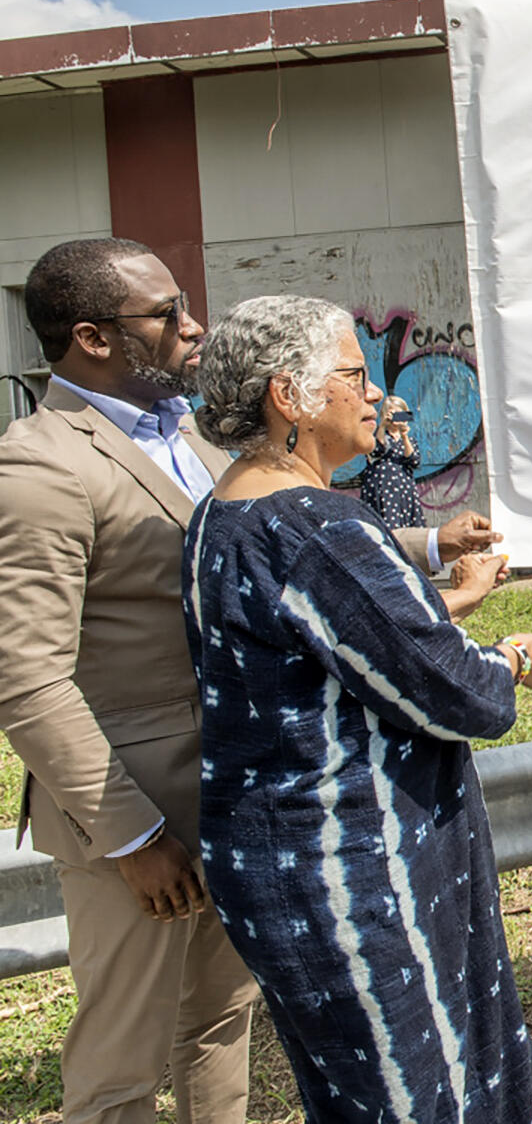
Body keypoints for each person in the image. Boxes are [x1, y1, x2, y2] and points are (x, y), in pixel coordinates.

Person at [183, 295, 532, 1122]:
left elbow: (339, 647)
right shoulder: (320, 526)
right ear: (292, 395)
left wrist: (443, 606)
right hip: (357, 868)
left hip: (278, 867)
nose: (374, 394)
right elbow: (457, 693)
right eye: (355, 374)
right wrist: (515, 659)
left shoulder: (221, 513)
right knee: (424, 1093)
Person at [0, 238, 261, 1123]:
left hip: (231, 783)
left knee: (222, 1023)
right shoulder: (40, 466)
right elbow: (27, 678)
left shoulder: (186, 435)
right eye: (167, 314)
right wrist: (130, 836)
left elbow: (265, 543)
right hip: (134, 811)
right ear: (93, 337)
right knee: (120, 1066)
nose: (194, 328)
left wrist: (424, 549)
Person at [361, 392, 427, 529]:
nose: (396, 418)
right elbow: (376, 451)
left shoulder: (410, 439)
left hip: (404, 488)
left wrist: (404, 436)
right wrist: (383, 426)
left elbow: (414, 461)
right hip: (381, 487)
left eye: (400, 414)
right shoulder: (376, 435)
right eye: (392, 414)